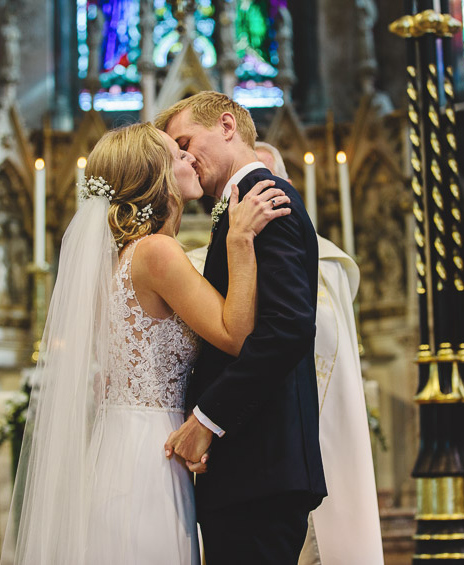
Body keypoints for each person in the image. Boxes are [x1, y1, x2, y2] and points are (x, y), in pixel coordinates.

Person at [1, 122, 292, 564]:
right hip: (149, 453)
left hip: (122, 441)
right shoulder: (158, 252)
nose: (189, 158)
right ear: (156, 174)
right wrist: (239, 240)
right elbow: (236, 337)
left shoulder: (119, 258)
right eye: (177, 154)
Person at [156, 92, 327, 565]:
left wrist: (207, 419)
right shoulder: (237, 209)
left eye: (186, 142)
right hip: (249, 472)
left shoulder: (266, 199)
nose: (185, 158)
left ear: (227, 125)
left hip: (261, 469)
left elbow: (287, 328)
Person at [255, 142, 386, 564]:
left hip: (307, 432)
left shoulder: (323, 262)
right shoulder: (205, 259)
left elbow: (319, 342)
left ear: (288, 188)